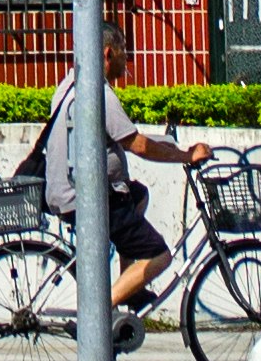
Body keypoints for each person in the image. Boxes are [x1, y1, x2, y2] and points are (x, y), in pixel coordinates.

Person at [38, 63, 207, 317]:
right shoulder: (98, 94)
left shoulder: (67, 87)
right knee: (160, 255)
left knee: (138, 195)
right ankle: (99, 313)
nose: (126, 60)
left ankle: (131, 290)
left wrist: (169, 148)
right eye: (122, 50)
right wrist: (185, 156)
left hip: (68, 193)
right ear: (107, 53)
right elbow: (136, 145)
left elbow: (124, 138)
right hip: (90, 199)